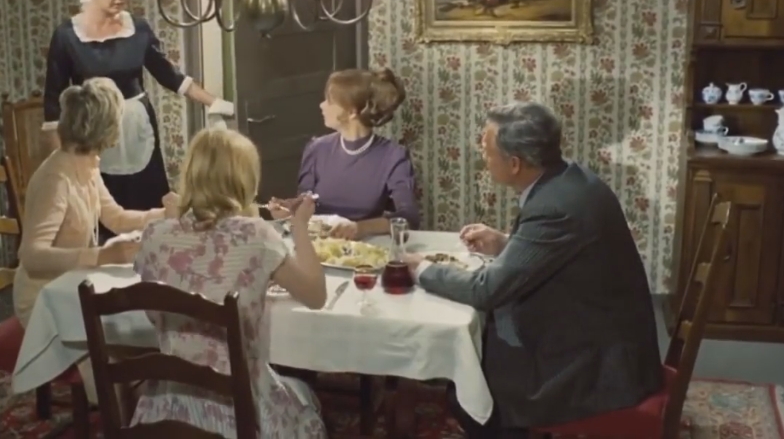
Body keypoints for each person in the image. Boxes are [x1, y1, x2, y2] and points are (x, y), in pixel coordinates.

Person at [403, 102, 663, 439]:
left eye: (487, 151)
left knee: (471, 389)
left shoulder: (554, 206)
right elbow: (558, 252)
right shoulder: (568, 179)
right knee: (481, 348)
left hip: (600, 365)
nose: (483, 157)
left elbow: (485, 290)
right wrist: (507, 243)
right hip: (600, 334)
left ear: (514, 164)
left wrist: (420, 268)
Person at [131, 128, 328, 438]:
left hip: (166, 406)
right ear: (245, 180)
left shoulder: (155, 235)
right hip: (239, 410)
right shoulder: (257, 235)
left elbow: (155, 315)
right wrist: (299, 225)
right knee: (307, 404)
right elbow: (316, 296)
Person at [41, 0, 234, 241]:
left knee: (149, 208)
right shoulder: (67, 36)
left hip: (137, 130)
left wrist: (213, 101)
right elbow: (53, 106)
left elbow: (168, 74)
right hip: (93, 135)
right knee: (103, 212)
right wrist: (63, 165)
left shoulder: (138, 29)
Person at [15, 77, 166, 402]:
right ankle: (116, 415)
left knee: (133, 335)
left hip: (75, 284)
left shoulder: (87, 164)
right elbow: (32, 256)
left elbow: (116, 217)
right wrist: (101, 256)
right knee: (109, 356)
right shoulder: (57, 179)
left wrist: (165, 214)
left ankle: (137, 410)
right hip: (45, 299)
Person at [268, 68, 419, 239]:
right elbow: (305, 202)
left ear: (352, 111)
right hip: (318, 245)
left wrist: (360, 228)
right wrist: (288, 209)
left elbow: (409, 218)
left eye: (329, 101)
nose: (321, 105)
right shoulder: (316, 149)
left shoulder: (393, 156)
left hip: (366, 248)